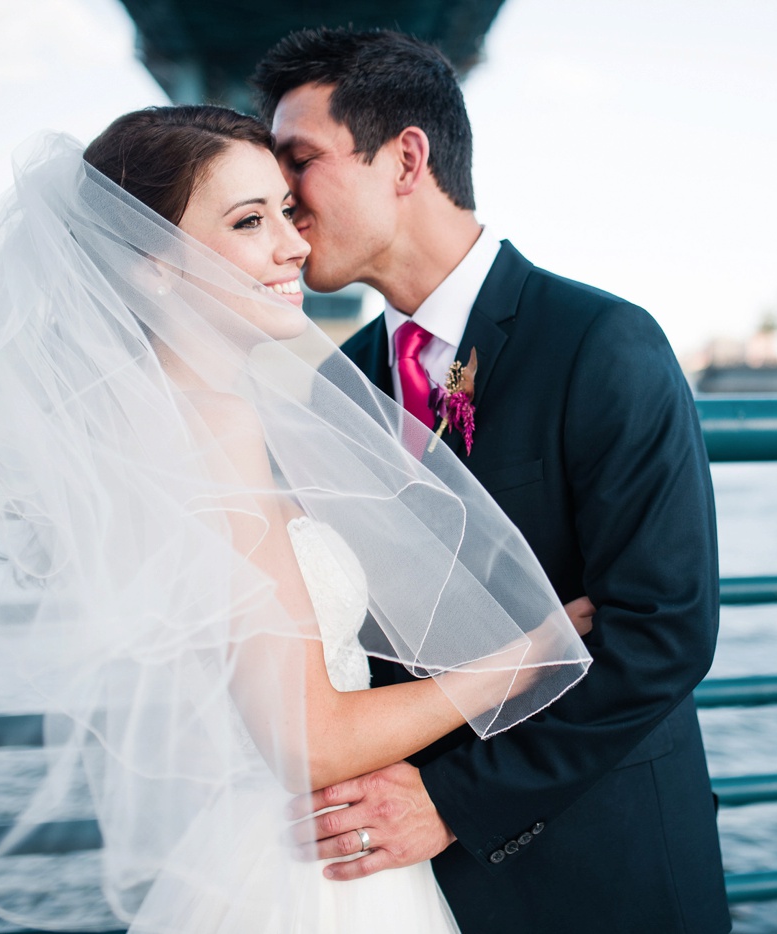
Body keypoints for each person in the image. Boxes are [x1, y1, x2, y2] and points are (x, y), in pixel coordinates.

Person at [0, 106, 591, 933]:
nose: (294, 243)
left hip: (244, 853)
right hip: (307, 875)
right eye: (249, 220)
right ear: (147, 265)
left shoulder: (160, 420)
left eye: (284, 208)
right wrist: (531, 653)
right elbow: (313, 743)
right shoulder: (216, 426)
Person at [254, 28, 731, 934]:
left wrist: (452, 803)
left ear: (405, 157)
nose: (284, 198)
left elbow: (663, 634)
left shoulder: (602, 343)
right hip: (405, 876)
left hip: (600, 857)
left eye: (300, 160)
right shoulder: (333, 383)